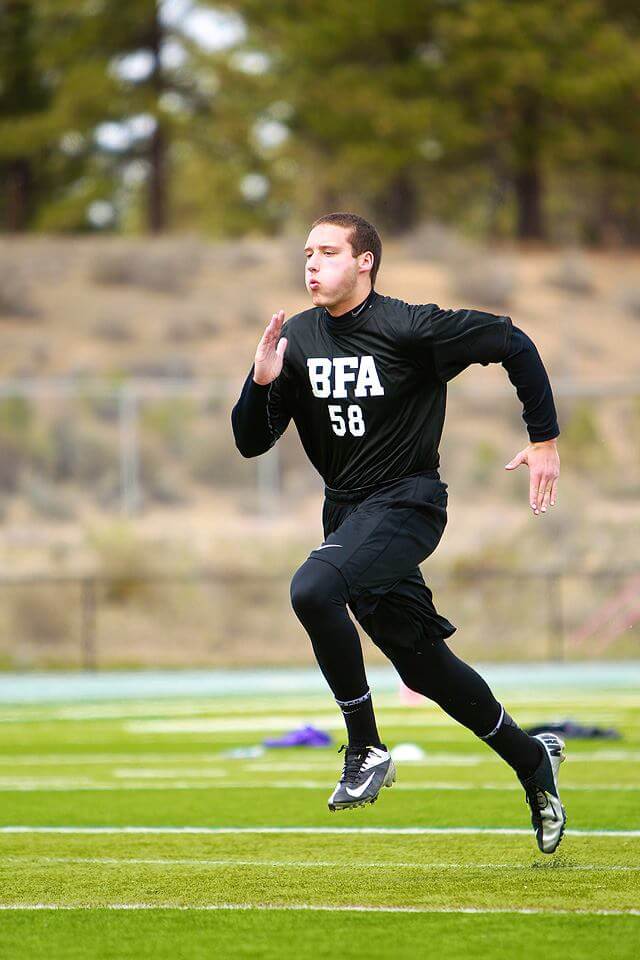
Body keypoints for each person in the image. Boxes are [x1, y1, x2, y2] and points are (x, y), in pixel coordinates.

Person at [231, 212, 566, 854]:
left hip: (409, 503)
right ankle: (533, 763)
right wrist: (261, 380)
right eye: (307, 252)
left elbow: (514, 342)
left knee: (311, 590)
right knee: (424, 665)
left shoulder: (411, 327)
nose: (311, 263)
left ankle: (365, 746)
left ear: (365, 263)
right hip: (348, 517)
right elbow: (251, 442)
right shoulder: (296, 338)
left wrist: (544, 440)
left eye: (328, 251)